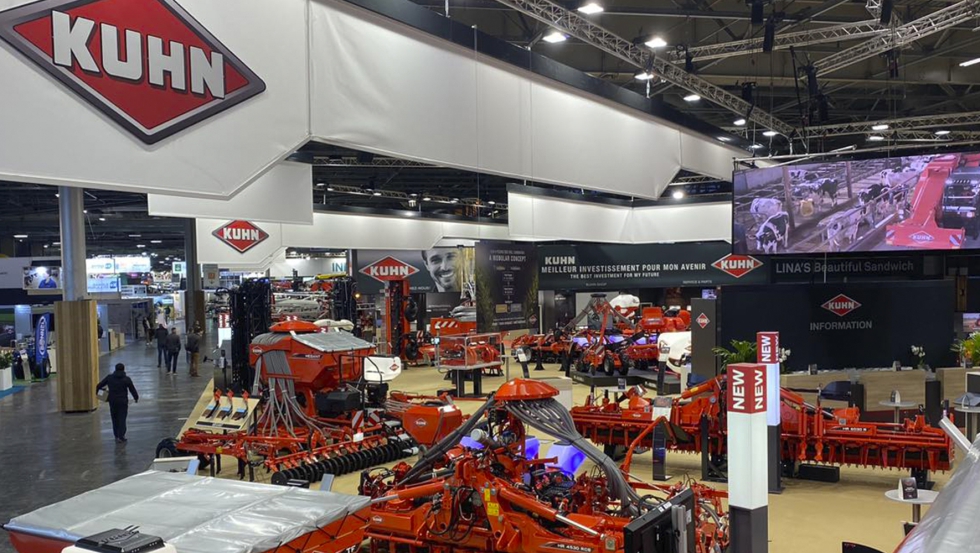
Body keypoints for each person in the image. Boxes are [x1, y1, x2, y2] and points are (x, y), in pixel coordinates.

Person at [96, 363, 138, 443]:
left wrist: (100, 394)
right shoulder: (126, 379)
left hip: (113, 401)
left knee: (115, 418)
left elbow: (98, 385)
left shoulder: (110, 378)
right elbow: (132, 389)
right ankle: (121, 435)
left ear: (115, 369)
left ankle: (116, 435)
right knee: (122, 418)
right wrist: (136, 398)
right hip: (123, 402)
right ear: (123, 369)